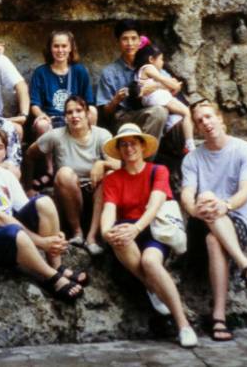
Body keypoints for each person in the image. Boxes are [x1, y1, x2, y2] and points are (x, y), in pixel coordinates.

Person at [0, 125, 86, 302]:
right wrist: (42, 242)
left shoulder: (6, 175)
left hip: (11, 233)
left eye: (0, 147)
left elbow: (28, 208)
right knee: (13, 230)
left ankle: (57, 266)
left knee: (44, 202)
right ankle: (51, 277)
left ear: (5, 151)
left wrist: (55, 236)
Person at [100, 124, 198, 348]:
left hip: (153, 227)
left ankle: (183, 324)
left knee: (150, 261)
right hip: (128, 231)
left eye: (133, 143)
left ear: (143, 146)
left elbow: (154, 205)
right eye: (123, 144)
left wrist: (136, 229)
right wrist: (106, 232)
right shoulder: (114, 178)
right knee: (119, 235)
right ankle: (153, 286)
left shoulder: (158, 171)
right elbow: (109, 211)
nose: (128, 148)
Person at [180, 99, 247, 342]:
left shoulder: (245, 150)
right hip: (200, 220)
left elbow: (244, 192)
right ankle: (245, 265)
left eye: (208, 117)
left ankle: (219, 317)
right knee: (205, 196)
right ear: (196, 128)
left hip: (237, 223)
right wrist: (196, 210)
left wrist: (225, 205)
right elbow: (187, 196)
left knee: (213, 240)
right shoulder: (193, 158)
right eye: (199, 121)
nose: (205, 123)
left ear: (220, 119)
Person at [25, 95, 117, 255]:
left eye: (79, 111)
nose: (74, 116)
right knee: (64, 173)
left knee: (110, 175)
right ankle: (77, 232)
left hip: (96, 193)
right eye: (69, 112)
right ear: (65, 117)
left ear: (88, 114)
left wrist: (102, 163)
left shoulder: (102, 135)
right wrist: (27, 187)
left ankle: (92, 237)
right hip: (69, 193)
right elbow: (29, 155)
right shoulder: (56, 135)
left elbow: (119, 164)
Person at [96, 20, 172, 145]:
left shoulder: (151, 64)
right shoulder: (109, 72)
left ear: (140, 40)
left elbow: (174, 85)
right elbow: (104, 113)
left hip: (150, 113)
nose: (130, 43)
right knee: (159, 112)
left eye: (133, 38)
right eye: (125, 39)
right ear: (118, 42)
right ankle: (145, 161)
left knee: (171, 115)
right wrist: (116, 100)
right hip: (123, 119)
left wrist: (155, 86)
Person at [29, 30, 97, 138]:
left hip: (74, 115)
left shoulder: (79, 71)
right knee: (42, 124)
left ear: (70, 48)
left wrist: (78, 115)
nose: (60, 50)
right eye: (56, 46)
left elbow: (88, 101)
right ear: (50, 48)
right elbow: (34, 104)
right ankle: (50, 155)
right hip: (51, 119)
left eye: (64, 46)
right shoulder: (40, 73)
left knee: (93, 111)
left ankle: (89, 146)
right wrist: (42, 115)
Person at [133, 43, 193, 149]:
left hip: (155, 98)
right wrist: (173, 84)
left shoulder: (143, 71)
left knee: (177, 116)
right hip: (156, 97)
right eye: (161, 59)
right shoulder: (148, 67)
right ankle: (190, 145)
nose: (162, 62)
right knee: (186, 113)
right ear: (151, 59)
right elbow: (163, 80)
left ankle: (182, 142)